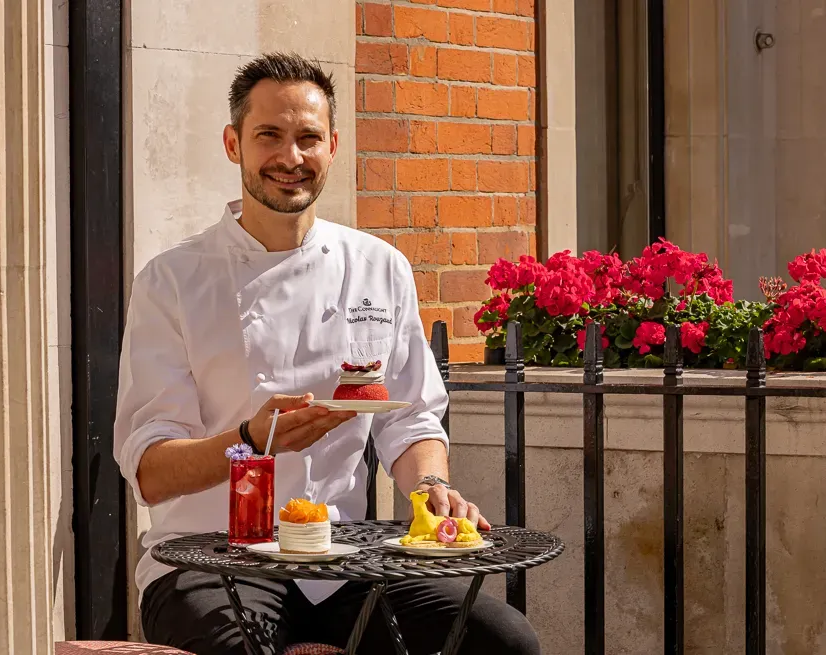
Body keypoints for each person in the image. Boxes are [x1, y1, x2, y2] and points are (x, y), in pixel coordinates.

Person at [113, 51, 540, 655]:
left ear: (333, 146)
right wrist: (250, 437)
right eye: (269, 136)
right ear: (234, 144)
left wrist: (431, 487)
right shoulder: (172, 279)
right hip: (210, 559)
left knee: (502, 641)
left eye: (308, 137)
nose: (291, 158)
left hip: (345, 559)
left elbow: (409, 417)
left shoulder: (378, 266)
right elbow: (152, 472)